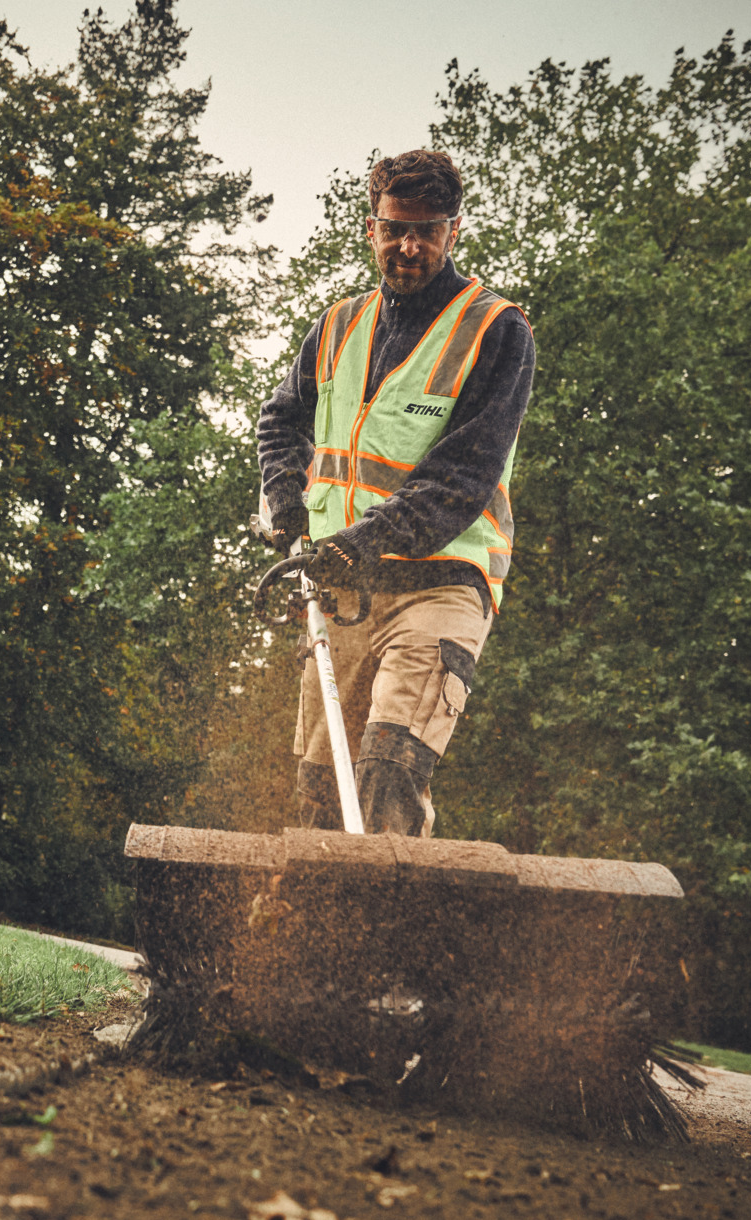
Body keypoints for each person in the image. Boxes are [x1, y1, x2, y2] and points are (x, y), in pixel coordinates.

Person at [256, 148, 534, 837]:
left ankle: (395, 940)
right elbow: (281, 421)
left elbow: (461, 477)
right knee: (323, 794)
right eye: (395, 228)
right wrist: (289, 510)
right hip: (345, 593)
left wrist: (357, 545)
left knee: (388, 769)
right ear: (372, 227)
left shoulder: (496, 332)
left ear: (455, 230)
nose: (409, 246)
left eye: (428, 230)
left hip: (441, 586)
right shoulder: (337, 325)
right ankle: (309, 941)